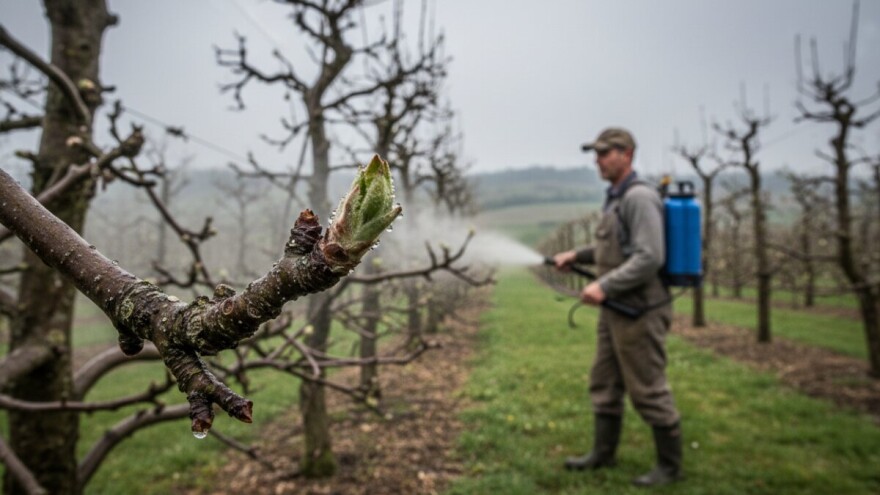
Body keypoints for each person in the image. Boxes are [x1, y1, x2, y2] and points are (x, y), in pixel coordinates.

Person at [552, 127, 682, 487]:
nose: (597, 160)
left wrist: (604, 285)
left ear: (626, 154)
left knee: (647, 386)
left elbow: (649, 256)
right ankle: (603, 454)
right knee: (605, 380)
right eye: (595, 153)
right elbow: (615, 250)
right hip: (617, 310)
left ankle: (670, 467)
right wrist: (577, 255)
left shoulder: (639, 198)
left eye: (604, 152)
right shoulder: (615, 198)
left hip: (640, 309)